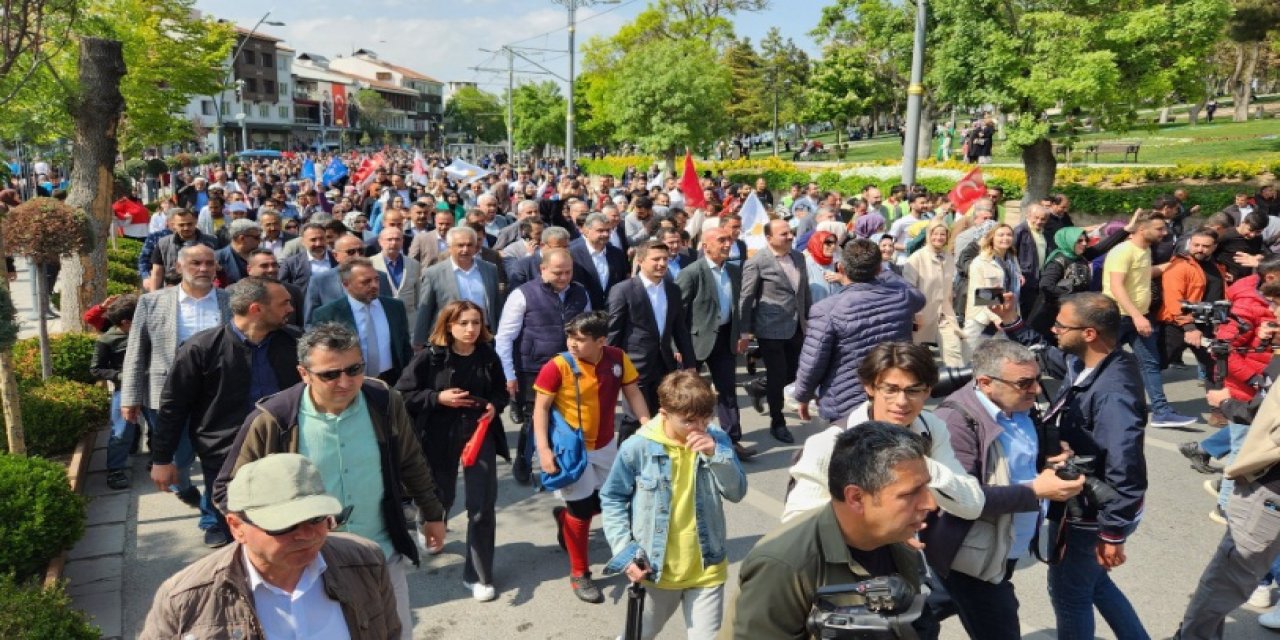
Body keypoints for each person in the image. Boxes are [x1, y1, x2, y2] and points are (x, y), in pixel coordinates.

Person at [214, 322, 448, 638]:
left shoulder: (384, 402)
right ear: (304, 373)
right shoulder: (274, 419)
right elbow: (227, 489)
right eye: (330, 374)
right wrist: (271, 538)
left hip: (379, 555)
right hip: (303, 566)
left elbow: (411, 461)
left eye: (354, 370)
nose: (345, 382)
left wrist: (432, 514)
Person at [993, 292, 1151, 640]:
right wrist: (1012, 322)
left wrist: (1113, 531)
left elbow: (1127, 467)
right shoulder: (1093, 361)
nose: (1054, 329)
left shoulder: (1113, 393)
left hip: (1093, 511)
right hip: (1088, 503)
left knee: (1070, 594)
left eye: (1061, 325)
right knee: (1094, 584)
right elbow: (1049, 357)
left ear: (1089, 333)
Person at [141, 453, 399, 639]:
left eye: (316, 518)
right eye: (284, 525)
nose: (306, 535)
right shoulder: (185, 598)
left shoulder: (366, 561)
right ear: (236, 527)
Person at [927, 340, 1085, 639]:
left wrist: (1048, 461)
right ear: (986, 383)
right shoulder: (956, 422)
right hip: (972, 556)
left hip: (1002, 549)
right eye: (1024, 382)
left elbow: (1015, 466)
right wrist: (1036, 490)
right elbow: (963, 498)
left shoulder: (1019, 407)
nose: (1036, 389)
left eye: (1037, 379)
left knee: (926, 608)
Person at [721, 423, 938, 639]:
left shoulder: (896, 539)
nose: (930, 503)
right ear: (856, 498)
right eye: (910, 493)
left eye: (926, 487)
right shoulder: (785, 565)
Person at [151, 277, 301, 548]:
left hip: (287, 450)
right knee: (239, 530)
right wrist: (162, 459)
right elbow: (174, 406)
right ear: (256, 309)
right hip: (226, 456)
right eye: (284, 303)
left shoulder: (295, 343)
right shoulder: (201, 349)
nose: (291, 308)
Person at [600, 371, 747, 639]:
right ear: (664, 413)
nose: (699, 427)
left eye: (705, 418)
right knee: (637, 635)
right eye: (689, 421)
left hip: (707, 568)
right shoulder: (638, 447)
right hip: (655, 570)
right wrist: (624, 552)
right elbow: (612, 498)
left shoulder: (717, 441)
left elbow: (736, 492)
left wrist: (716, 455)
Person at [785, 341, 983, 522]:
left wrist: (919, 466)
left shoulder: (931, 428)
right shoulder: (828, 444)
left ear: (927, 391)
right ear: (870, 388)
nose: (901, 402)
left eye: (913, 391)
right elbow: (797, 523)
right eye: (890, 390)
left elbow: (972, 506)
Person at [533, 311, 651, 603]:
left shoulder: (617, 358)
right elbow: (541, 410)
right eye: (570, 337)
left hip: (607, 445)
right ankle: (579, 573)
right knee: (582, 511)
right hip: (572, 452)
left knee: (614, 502)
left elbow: (632, 393)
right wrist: (544, 451)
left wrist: (647, 424)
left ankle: (565, 518)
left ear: (601, 340)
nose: (572, 343)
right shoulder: (556, 366)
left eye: (581, 339)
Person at [395, 301, 508, 602]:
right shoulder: (429, 358)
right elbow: (402, 394)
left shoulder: (487, 354)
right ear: (448, 326)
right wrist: (437, 397)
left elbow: (500, 390)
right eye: (464, 323)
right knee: (441, 494)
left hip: (478, 434)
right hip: (438, 435)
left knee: (482, 506)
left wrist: (495, 406)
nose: (471, 330)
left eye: (476, 322)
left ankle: (479, 575)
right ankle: (429, 519)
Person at [122, 245, 229, 528]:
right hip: (166, 396)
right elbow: (136, 351)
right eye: (196, 263)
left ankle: (212, 519)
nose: (204, 269)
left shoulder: (229, 301)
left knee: (216, 460)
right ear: (179, 267)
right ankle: (184, 489)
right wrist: (130, 397)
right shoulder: (152, 302)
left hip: (218, 396)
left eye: (209, 263)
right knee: (177, 460)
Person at [1175, 352, 1280, 638]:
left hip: (1271, 493)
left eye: (1275, 304)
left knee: (1222, 582)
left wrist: (1225, 403)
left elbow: (1263, 419)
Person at [793, 238, 925, 428]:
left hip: (845, 402)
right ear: (879, 269)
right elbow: (918, 297)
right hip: (893, 397)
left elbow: (813, 361)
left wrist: (803, 397)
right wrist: (885, 272)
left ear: (841, 268)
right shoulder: (901, 297)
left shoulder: (826, 309)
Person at [1103, 210, 1197, 428]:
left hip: (1139, 318)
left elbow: (1146, 273)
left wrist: (1175, 265)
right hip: (1119, 317)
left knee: (1150, 364)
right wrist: (1137, 316)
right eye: (1159, 229)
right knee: (1101, 363)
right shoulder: (1122, 251)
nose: (1164, 233)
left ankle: (1161, 411)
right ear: (1142, 229)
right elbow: (1116, 286)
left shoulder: (1144, 250)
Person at [676, 228, 754, 459]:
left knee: (728, 391)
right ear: (706, 245)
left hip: (726, 338)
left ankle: (732, 441)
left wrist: (742, 333)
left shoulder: (733, 270)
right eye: (721, 240)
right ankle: (683, 441)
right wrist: (677, 347)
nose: (727, 244)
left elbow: (738, 306)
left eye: (729, 239)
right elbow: (677, 313)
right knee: (687, 395)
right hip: (695, 341)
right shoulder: (692, 273)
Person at [607, 240, 696, 438]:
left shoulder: (672, 290)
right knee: (635, 419)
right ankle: (626, 460)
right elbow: (613, 332)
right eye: (656, 259)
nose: (662, 264)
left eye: (665, 259)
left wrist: (690, 363)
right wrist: (610, 367)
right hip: (634, 366)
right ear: (640, 261)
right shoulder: (623, 290)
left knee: (662, 416)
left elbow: (680, 329)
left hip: (665, 365)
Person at [740, 219, 810, 444]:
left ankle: (758, 386)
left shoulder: (799, 257)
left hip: (797, 325)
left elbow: (803, 292)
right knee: (779, 373)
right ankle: (777, 422)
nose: (790, 236)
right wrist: (744, 330)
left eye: (790, 232)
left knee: (795, 373)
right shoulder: (758, 262)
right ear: (769, 238)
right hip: (770, 328)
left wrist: (809, 320)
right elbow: (746, 297)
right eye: (784, 234)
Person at [310, 258, 412, 384]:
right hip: (352, 381)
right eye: (366, 282)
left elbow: (405, 346)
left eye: (376, 279)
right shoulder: (329, 314)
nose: (374, 285)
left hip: (393, 379)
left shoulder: (394, 307)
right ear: (346, 284)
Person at [1030, 219, 1134, 340]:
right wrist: (1072, 297)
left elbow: (1104, 246)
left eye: (1085, 240)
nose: (1084, 243)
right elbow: (1046, 286)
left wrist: (1126, 230)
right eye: (1079, 241)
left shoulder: (1080, 256)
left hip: (1070, 313)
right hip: (1049, 316)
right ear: (1068, 241)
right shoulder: (1058, 261)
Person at [1158, 228, 1227, 383]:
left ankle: (1219, 404)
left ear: (1214, 247)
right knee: (1156, 365)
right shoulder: (1179, 266)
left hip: (1207, 325)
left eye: (1205, 246)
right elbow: (1174, 299)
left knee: (1215, 368)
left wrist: (1220, 321)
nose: (1199, 249)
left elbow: (1219, 296)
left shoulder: (1217, 267)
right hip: (1178, 326)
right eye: (1196, 245)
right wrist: (1189, 327)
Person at [90, 294, 139, 490]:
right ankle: (115, 469)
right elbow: (96, 369)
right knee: (121, 429)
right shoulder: (107, 340)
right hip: (125, 388)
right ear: (126, 323)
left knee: (161, 424)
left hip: (152, 385)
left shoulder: (146, 332)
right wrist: (119, 375)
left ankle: (160, 458)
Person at [904, 220, 964, 366]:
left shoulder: (949, 258)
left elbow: (949, 287)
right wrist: (914, 313)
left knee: (954, 352)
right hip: (921, 315)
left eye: (942, 234)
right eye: (935, 234)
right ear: (928, 235)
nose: (938, 237)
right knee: (916, 360)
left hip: (944, 315)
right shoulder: (916, 258)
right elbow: (907, 289)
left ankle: (957, 384)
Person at [963, 223, 1020, 355]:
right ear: (992, 238)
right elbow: (981, 294)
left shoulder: (1012, 259)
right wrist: (996, 318)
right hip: (982, 318)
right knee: (971, 358)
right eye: (1001, 235)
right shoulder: (980, 262)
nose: (1005, 238)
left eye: (1009, 235)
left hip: (1006, 315)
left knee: (998, 361)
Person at [147, 208, 219, 291]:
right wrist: (153, 296)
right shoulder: (163, 244)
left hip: (204, 291)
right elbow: (157, 273)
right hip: (172, 291)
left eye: (189, 224)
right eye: (181, 225)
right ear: (173, 225)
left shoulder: (212, 242)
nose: (186, 228)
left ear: (196, 222)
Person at [570, 212, 630, 311]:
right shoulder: (572, 254)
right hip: (583, 315)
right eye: (600, 231)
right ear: (586, 231)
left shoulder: (617, 254)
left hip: (612, 313)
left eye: (608, 230)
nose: (605, 234)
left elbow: (623, 282)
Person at [371, 226, 422, 333]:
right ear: (380, 242)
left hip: (409, 324)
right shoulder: (370, 264)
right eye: (389, 239)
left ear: (403, 241)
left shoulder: (414, 264)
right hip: (381, 319)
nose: (394, 243)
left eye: (397, 239)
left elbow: (418, 297)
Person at [278, 222, 337, 294]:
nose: (318, 243)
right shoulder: (291, 264)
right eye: (313, 240)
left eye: (321, 239)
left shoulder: (337, 259)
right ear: (303, 242)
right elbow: (282, 289)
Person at [1013, 203, 1049, 319]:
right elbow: (1011, 254)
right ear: (1028, 216)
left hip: (1037, 277)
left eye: (1043, 219)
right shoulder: (1020, 231)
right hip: (1024, 277)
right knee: (1023, 309)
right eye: (1036, 218)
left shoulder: (1044, 232)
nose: (1039, 221)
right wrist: (1017, 273)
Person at [802, 230, 844, 303]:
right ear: (818, 243)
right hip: (816, 312)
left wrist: (842, 278)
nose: (833, 246)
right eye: (828, 243)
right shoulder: (805, 265)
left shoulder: (837, 263)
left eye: (834, 243)